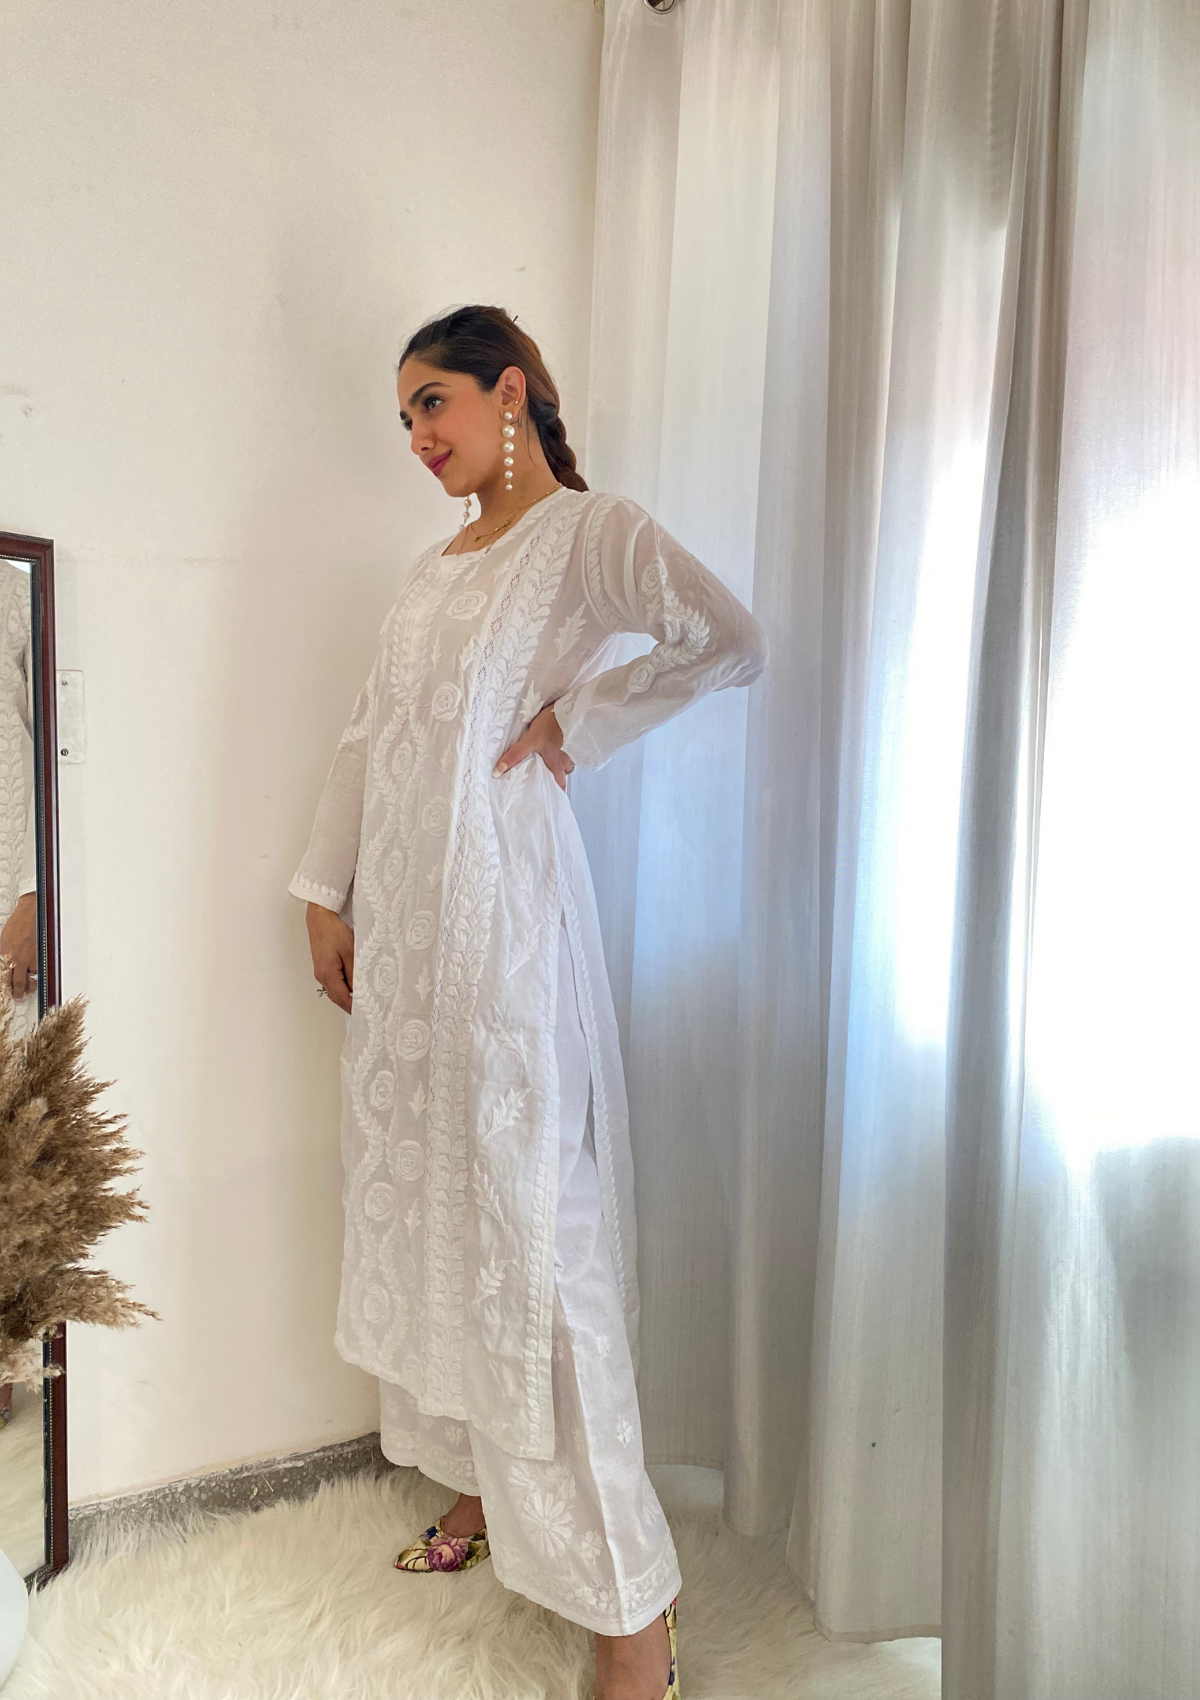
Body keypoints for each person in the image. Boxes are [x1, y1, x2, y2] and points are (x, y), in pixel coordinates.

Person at [292, 305, 766, 1700]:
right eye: (402, 419)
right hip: (409, 949)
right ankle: (481, 1483)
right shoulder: (433, 567)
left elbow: (728, 637)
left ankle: (633, 1612)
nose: (416, 438)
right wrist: (323, 890)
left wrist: (585, 719)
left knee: (536, 1244)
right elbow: (370, 735)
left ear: (509, 393)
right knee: (436, 1206)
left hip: (504, 939)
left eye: (431, 404)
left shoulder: (586, 534)